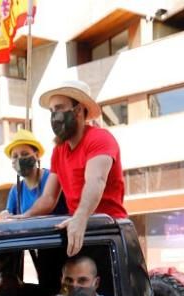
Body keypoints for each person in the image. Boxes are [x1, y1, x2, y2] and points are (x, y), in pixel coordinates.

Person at [14, 80, 126, 257]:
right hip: (78, 231)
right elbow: (49, 198)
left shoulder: (99, 138)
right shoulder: (59, 151)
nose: (54, 116)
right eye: (51, 111)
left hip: (108, 231)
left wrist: (81, 217)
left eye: (59, 108)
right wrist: (25, 217)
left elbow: (96, 181)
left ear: (78, 110)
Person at [0, 130, 68, 217]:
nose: (20, 159)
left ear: (37, 155)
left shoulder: (52, 177)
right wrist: (5, 214)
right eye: (15, 156)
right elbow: (8, 216)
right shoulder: (15, 191)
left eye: (25, 154)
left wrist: (24, 216)